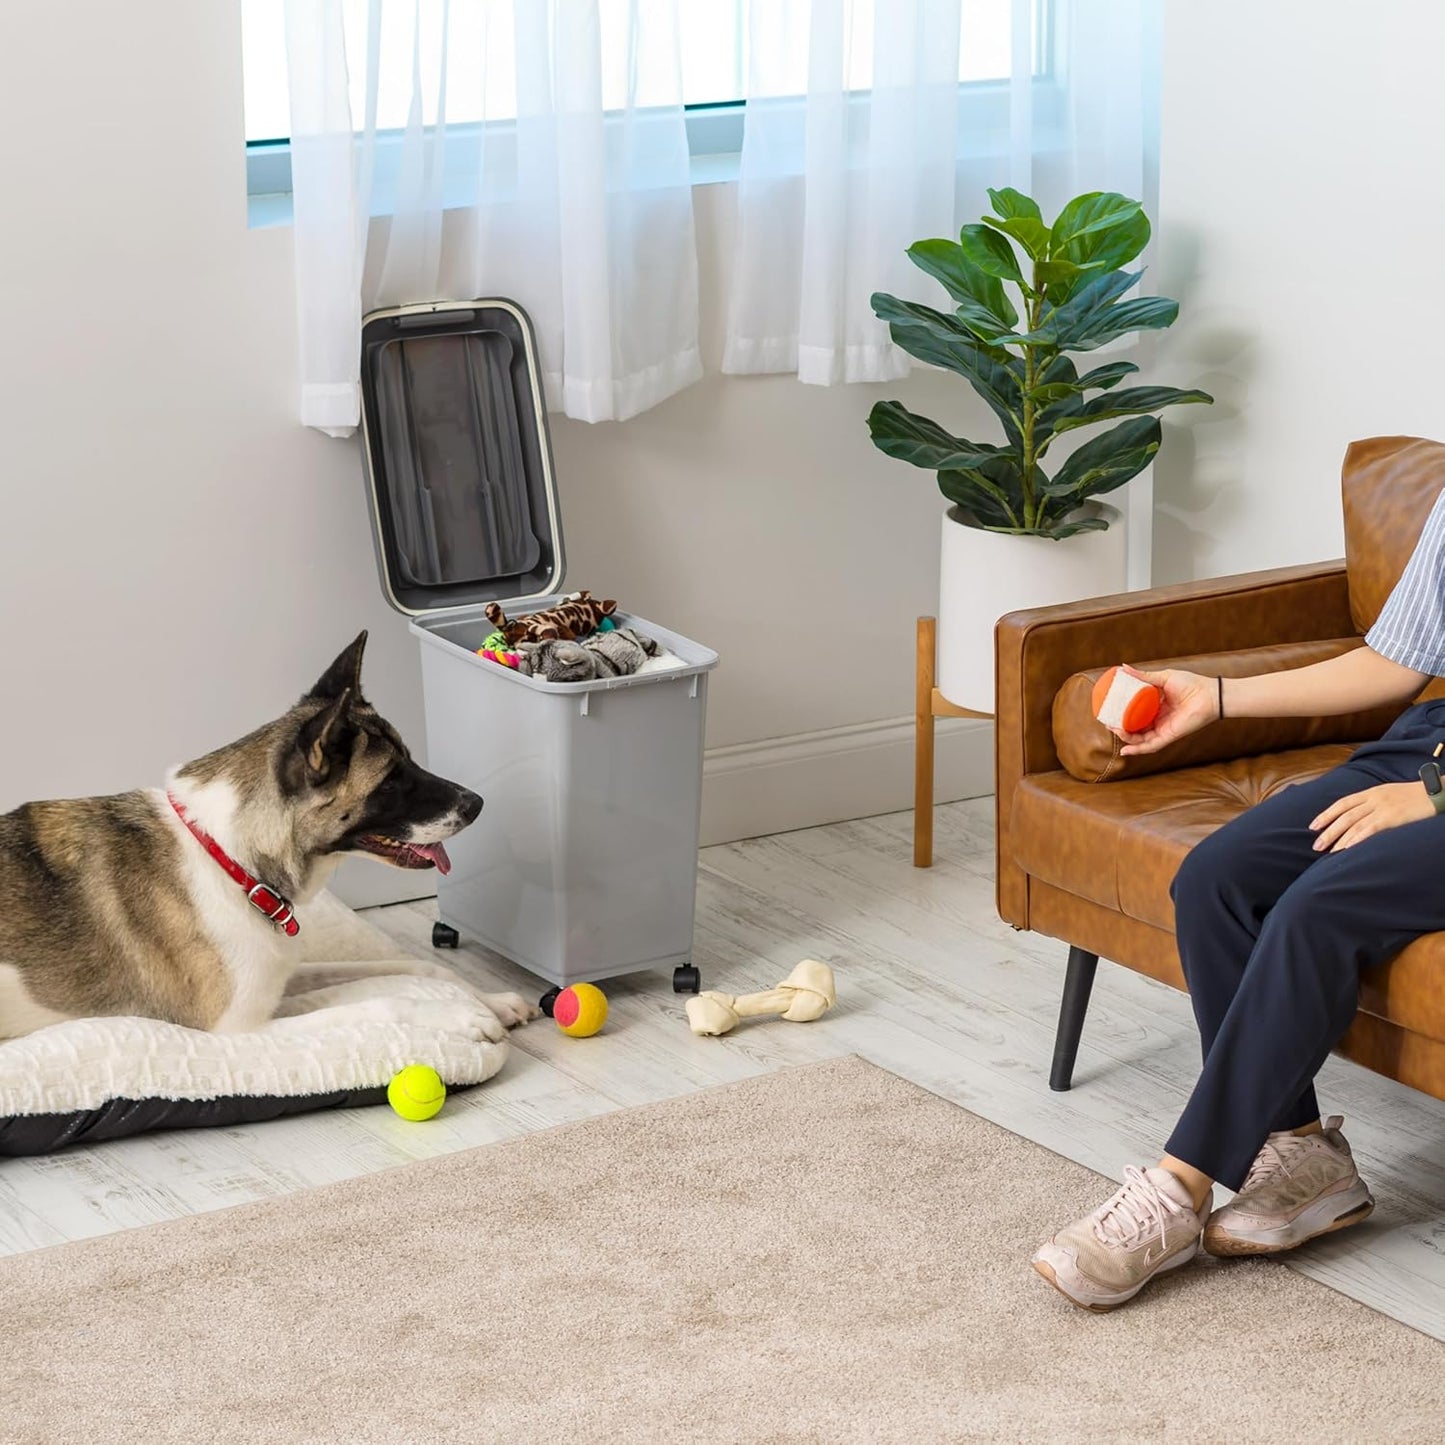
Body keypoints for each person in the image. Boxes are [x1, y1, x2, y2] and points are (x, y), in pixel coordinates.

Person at [1033, 489, 1445, 1312]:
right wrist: (1212, 695)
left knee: (1317, 907)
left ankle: (1176, 1187)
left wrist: (1436, 791)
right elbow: (1394, 662)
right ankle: (1299, 1155)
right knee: (1216, 877)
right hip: (1426, 741)